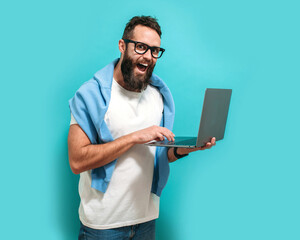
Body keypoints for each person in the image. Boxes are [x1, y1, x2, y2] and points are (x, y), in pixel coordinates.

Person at [67, 16, 216, 240]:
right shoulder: (90, 95)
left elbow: (158, 154)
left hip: (145, 221)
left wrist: (185, 149)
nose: (147, 56)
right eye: (140, 47)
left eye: (155, 50)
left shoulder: (158, 95)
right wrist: (134, 137)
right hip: (103, 226)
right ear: (122, 46)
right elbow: (77, 161)